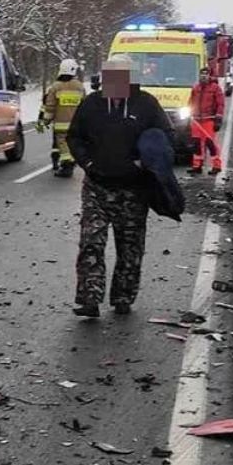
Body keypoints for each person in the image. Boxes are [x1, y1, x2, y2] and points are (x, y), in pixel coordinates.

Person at [66, 55, 173, 318]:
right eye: (109, 76)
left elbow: (165, 136)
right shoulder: (91, 104)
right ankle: (89, 298)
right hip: (97, 187)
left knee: (130, 246)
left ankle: (123, 296)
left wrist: (145, 160)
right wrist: (88, 163)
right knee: (91, 241)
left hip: (133, 190)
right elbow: (74, 136)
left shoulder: (146, 105)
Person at [37, 58, 87, 178]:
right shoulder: (80, 87)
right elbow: (85, 105)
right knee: (73, 144)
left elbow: (50, 107)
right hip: (76, 125)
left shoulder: (56, 87)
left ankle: (67, 165)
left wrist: (44, 121)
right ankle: (71, 161)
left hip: (61, 124)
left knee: (63, 145)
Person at [188, 66, 225, 175]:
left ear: (209, 76)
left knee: (210, 143)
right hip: (196, 120)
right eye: (202, 74)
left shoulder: (215, 88)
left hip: (209, 119)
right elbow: (191, 102)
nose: (203, 76)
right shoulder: (196, 88)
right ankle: (197, 165)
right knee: (196, 144)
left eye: (206, 74)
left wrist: (218, 118)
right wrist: (189, 114)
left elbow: (220, 104)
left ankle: (216, 165)